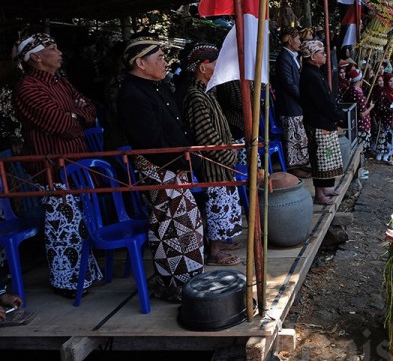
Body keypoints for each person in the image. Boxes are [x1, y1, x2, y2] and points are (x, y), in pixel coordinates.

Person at [11, 32, 103, 297]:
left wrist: (75, 113)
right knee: (63, 226)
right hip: (52, 169)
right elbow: (63, 126)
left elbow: (90, 110)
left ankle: (83, 275)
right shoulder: (27, 88)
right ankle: (66, 282)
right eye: (52, 47)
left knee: (80, 224)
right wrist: (75, 114)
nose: (59, 50)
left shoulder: (60, 81)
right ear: (36, 57)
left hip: (76, 164)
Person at [117, 37, 204, 302]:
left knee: (188, 225)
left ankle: (190, 279)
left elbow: (175, 128)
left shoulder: (156, 86)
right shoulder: (132, 95)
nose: (165, 62)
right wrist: (180, 163)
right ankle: (170, 284)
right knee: (169, 228)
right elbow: (151, 141)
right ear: (140, 63)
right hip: (159, 168)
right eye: (159, 59)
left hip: (174, 165)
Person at [181, 44, 242, 266]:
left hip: (222, 161)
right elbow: (206, 137)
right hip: (212, 166)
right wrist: (229, 157)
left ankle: (219, 243)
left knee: (224, 204)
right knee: (216, 206)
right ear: (203, 68)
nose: (220, 68)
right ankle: (214, 252)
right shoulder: (195, 96)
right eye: (215, 64)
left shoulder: (206, 92)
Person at [298, 40, 345, 205]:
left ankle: (326, 188)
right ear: (312, 56)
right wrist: (338, 115)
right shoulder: (309, 75)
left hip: (325, 121)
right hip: (318, 122)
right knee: (319, 159)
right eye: (322, 53)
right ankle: (319, 193)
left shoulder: (315, 72)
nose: (325, 55)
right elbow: (322, 102)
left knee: (328, 157)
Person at [273, 27, 310, 178]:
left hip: (296, 103)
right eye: (298, 39)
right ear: (290, 40)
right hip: (289, 104)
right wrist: (302, 97)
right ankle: (293, 167)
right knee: (293, 137)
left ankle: (301, 164)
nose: (300, 42)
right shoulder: (283, 58)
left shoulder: (291, 56)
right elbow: (288, 83)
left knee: (300, 135)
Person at [374, 74, 393, 165]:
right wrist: (389, 109)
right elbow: (380, 106)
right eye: (390, 81)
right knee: (388, 137)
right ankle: (389, 155)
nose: (392, 83)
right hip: (387, 118)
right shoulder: (383, 92)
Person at [342, 68, 374, 147]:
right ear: (360, 80)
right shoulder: (358, 94)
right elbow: (362, 114)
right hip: (361, 125)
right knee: (361, 149)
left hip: (354, 124)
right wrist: (371, 107)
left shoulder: (350, 90)